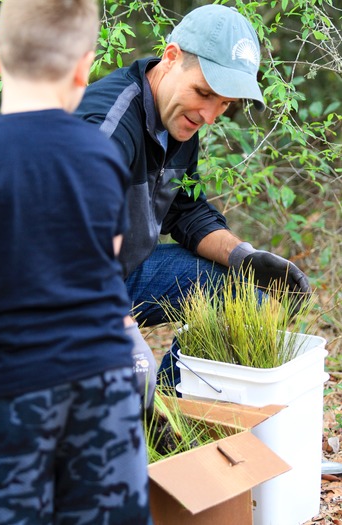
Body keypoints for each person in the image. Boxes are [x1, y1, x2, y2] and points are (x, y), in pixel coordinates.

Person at [75, 4, 311, 388]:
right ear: (170, 58)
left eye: (224, 104)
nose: (210, 115)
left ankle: (169, 408)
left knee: (248, 296)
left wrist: (243, 258)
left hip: (124, 273)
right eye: (204, 93)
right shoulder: (109, 128)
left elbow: (185, 211)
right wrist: (125, 339)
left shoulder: (177, 119)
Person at [0, 0, 152, 523]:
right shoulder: (101, 153)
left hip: (14, 385)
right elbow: (105, 262)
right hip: (104, 379)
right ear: (85, 66)